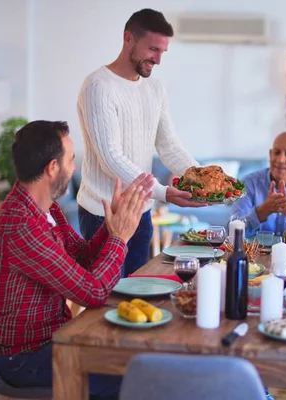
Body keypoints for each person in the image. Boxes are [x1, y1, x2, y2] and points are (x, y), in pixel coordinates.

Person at [0, 120, 153, 400]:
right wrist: (119, 238)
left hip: (56, 338)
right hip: (24, 357)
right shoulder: (22, 226)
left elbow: (82, 258)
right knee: (129, 373)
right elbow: (93, 293)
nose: (74, 168)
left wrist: (111, 228)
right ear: (52, 168)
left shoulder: (46, 210)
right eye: (70, 160)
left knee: (133, 357)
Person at [76, 8, 203, 277]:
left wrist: (202, 179)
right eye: (152, 49)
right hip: (102, 215)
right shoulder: (98, 86)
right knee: (106, 298)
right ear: (128, 39)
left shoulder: (154, 88)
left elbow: (168, 144)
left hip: (142, 212)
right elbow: (111, 157)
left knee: (136, 293)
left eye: (162, 52)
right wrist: (162, 192)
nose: (157, 60)